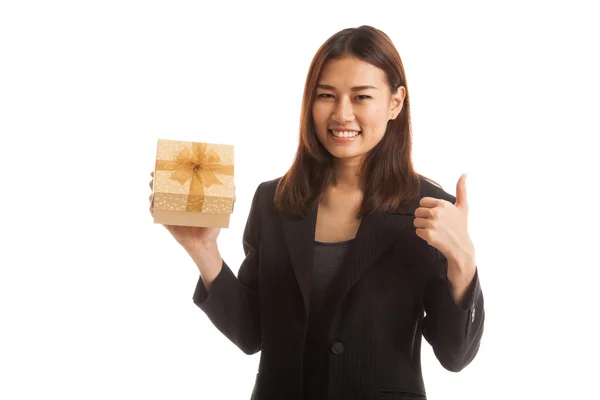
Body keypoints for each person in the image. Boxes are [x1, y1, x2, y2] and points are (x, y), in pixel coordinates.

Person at [149, 25, 484, 400]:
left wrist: (463, 261)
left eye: (361, 97)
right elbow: (250, 333)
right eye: (327, 95)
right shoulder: (272, 201)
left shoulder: (431, 210)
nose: (342, 114)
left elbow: (456, 356)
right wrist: (203, 250)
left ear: (395, 103)